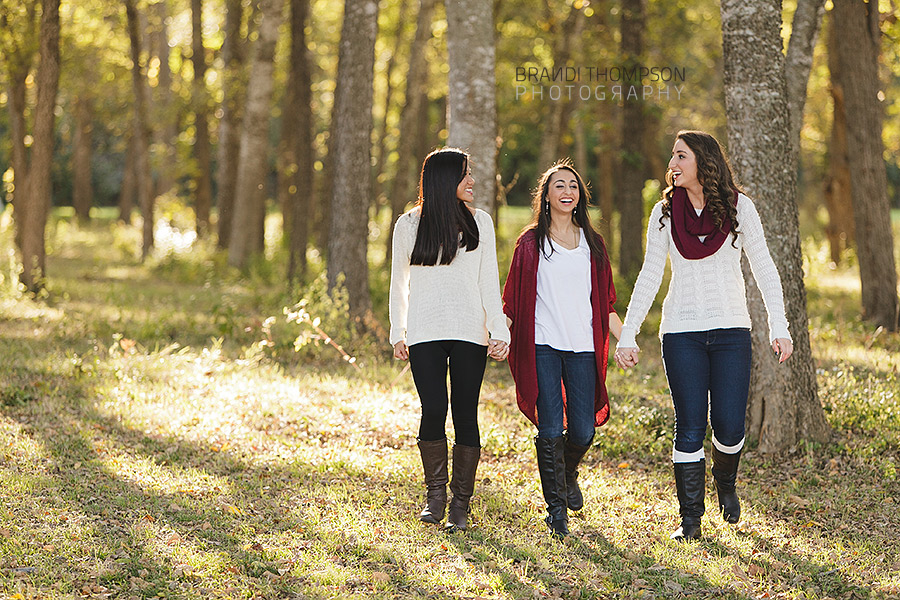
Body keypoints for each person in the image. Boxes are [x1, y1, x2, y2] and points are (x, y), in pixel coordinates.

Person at [614, 130, 793, 541]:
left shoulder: (739, 208)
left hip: (731, 329)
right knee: (690, 426)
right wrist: (629, 334)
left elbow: (764, 268)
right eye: (672, 156)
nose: (672, 164)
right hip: (681, 332)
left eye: (681, 156)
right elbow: (649, 275)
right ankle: (689, 520)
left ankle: (725, 484)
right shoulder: (662, 214)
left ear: (703, 162)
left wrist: (779, 325)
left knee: (730, 426)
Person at [502, 161, 626, 538]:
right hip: (542, 345)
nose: (567, 190)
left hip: (582, 347)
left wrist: (626, 338)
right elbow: (510, 304)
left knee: (584, 431)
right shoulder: (529, 244)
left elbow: (605, 303)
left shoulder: (593, 244)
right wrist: (498, 334)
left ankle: (568, 473)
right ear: (547, 195)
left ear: (580, 196)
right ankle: (556, 511)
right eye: (559, 185)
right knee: (552, 427)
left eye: (573, 185)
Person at [389, 148, 511, 532]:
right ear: (444, 180)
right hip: (424, 331)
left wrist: (499, 329)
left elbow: (489, 282)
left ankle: (461, 504)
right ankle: (435, 496)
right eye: (465, 175)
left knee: (465, 412)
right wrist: (398, 331)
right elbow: (399, 284)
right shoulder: (408, 225)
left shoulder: (482, 223)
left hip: (470, 332)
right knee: (433, 409)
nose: (472, 181)